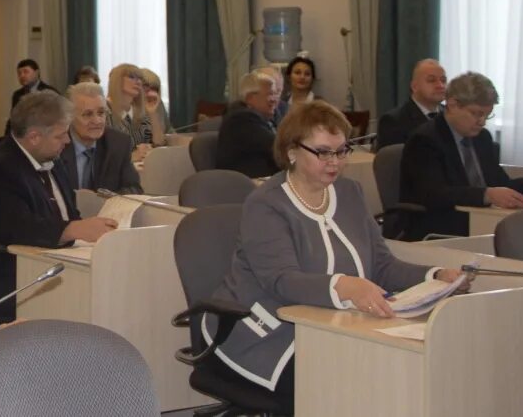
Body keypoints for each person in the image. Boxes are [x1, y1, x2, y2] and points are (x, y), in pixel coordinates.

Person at [201, 101, 469, 412]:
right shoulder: (266, 204)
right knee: (342, 388)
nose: (335, 162)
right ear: (291, 151)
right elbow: (281, 280)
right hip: (266, 332)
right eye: (323, 152)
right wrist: (345, 286)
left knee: (402, 374)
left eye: (342, 151)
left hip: (341, 324)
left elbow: (382, 266)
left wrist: (435, 276)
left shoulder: (350, 192)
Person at [0, 91, 117, 322]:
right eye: (61, 135)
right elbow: (17, 228)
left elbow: (69, 214)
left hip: (52, 264)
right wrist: (72, 229)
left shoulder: (52, 159)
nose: (67, 141)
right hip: (3, 276)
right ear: (34, 137)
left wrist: (85, 228)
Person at [400, 72, 523, 239]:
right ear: (453, 104)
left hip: (481, 219)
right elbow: (434, 194)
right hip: (441, 224)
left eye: (487, 115)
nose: (482, 122)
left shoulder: (482, 138)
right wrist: (487, 194)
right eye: (476, 113)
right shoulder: (425, 140)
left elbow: (500, 183)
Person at [55, 83, 142, 194]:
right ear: (70, 117)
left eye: (101, 113)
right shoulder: (56, 144)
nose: (97, 121)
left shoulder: (118, 144)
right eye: (87, 114)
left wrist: (109, 200)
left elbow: (134, 189)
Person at [215, 72, 281, 179]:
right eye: (269, 94)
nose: (274, 100)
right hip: (245, 183)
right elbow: (278, 147)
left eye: (275, 94)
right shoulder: (242, 119)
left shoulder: (265, 118)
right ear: (250, 98)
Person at [376, 59, 447, 149]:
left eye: (443, 80)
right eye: (431, 80)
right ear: (414, 87)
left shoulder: (452, 114)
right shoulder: (393, 121)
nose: (440, 85)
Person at [107, 64, 157, 158]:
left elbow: (157, 143)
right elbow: (101, 154)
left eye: (140, 78)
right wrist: (131, 156)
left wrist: (153, 114)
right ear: (118, 81)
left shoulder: (141, 112)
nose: (138, 82)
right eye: (132, 77)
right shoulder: (103, 111)